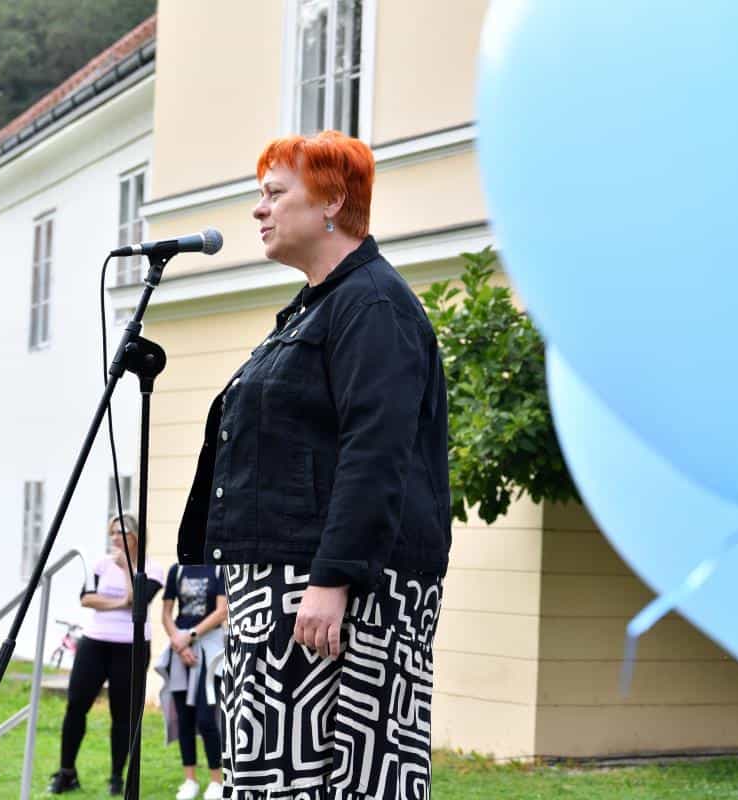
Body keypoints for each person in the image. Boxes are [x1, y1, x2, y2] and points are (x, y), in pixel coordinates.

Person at [176, 129, 451, 799]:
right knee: (272, 779)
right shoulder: (318, 309)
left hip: (336, 591)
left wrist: (332, 578)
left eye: (274, 193)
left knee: (350, 779)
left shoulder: (373, 304)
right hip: (279, 591)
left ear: (331, 201)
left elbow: (376, 449)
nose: (258, 208)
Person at [48, 513, 164, 795]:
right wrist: (120, 602)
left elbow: (138, 602)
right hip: (95, 642)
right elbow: (86, 598)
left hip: (131, 647)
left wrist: (126, 571)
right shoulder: (100, 564)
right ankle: (66, 772)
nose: (115, 538)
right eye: (112, 532)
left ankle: (116, 777)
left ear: (136, 536)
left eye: (121, 532)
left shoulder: (152, 568)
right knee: (76, 705)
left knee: (122, 714)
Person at [155, 562, 228, 800]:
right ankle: (190, 780)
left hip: (209, 649)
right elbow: (166, 614)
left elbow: (222, 611)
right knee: (184, 717)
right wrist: (179, 642)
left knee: (206, 718)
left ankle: (217, 781)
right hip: (180, 650)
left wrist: (190, 636)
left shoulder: (219, 568)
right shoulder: (177, 570)